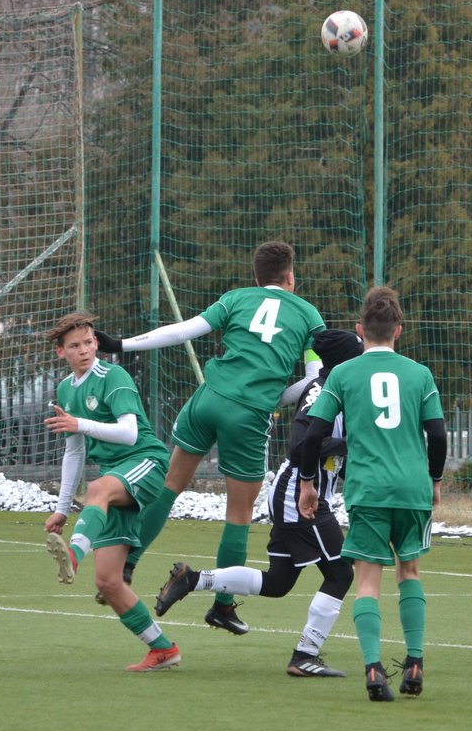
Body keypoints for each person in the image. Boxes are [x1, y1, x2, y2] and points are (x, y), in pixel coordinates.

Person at [95, 241, 326, 635]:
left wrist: (121, 344)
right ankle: (222, 607)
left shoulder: (235, 298)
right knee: (237, 515)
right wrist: (277, 397)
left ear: (256, 277)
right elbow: (312, 381)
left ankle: (128, 562)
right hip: (247, 416)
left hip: (206, 400)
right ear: (291, 277)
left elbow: (183, 330)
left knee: (169, 486)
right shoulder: (308, 315)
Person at [152, 329, 363, 678]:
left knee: (279, 582)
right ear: (344, 361)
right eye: (358, 357)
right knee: (340, 574)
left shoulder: (339, 392)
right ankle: (304, 655)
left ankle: (193, 580)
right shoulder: (320, 392)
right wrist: (346, 443)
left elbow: (331, 453)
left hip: (295, 493)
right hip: (299, 495)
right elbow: (300, 447)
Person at [297, 287, 448, 702]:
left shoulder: (344, 374)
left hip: (369, 489)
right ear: (398, 330)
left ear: (361, 330)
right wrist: (434, 479)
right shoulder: (419, 374)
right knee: (410, 571)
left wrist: (308, 482)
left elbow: (314, 431)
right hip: (412, 487)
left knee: (367, 581)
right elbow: (436, 433)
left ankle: (373, 668)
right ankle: (415, 660)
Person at [41, 312, 179, 671]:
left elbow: (129, 433)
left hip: (146, 461)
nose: (84, 350)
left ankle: (72, 555)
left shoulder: (113, 375)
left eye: (89, 342)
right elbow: (74, 451)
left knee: (98, 487)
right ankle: (162, 649)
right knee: (108, 581)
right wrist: (61, 508)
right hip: (114, 476)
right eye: (74, 346)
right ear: (61, 353)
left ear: (97, 343)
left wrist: (80, 423)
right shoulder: (66, 389)